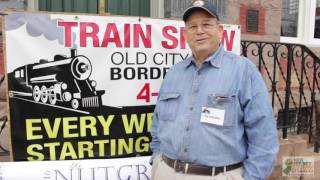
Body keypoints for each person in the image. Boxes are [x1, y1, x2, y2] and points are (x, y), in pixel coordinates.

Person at [150, 0, 279, 179]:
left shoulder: (243, 71)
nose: (199, 31)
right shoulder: (174, 73)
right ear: (185, 34)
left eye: (206, 24)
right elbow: (158, 124)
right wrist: (157, 161)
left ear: (220, 31)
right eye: (193, 26)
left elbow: (264, 137)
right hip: (166, 171)